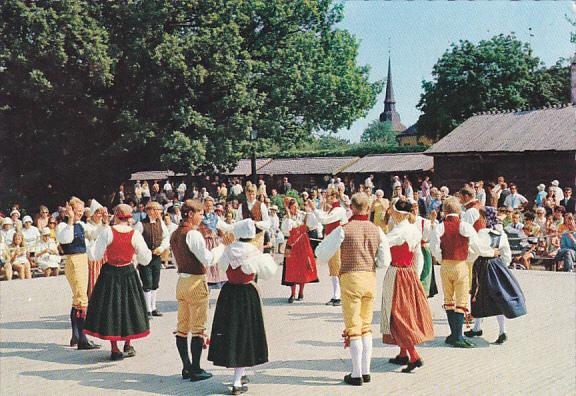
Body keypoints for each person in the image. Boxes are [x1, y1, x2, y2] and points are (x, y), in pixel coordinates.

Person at [316, 193, 390, 386]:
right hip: (370, 278)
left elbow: (322, 253)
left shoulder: (344, 229)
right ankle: (366, 371)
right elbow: (384, 260)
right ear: (368, 208)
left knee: (353, 325)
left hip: (350, 277)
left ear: (353, 208)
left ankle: (356, 373)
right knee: (366, 325)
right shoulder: (377, 230)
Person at [208, 219, 277, 395]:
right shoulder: (254, 251)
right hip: (247, 294)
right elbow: (268, 272)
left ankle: (241, 374)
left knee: (232, 332)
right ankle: (237, 382)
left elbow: (222, 266)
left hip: (229, 292)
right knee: (245, 333)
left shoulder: (228, 249)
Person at [84, 204, 152, 360]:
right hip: (128, 272)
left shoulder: (108, 232)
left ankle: (115, 349)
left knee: (111, 308)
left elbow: (95, 255)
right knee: (130, 307)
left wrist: (89, 244)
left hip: (110, 273)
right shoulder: (135, 234)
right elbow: (146, 259)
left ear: (115, 215)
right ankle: (127, 344)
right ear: (129, 217)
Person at [170, 200, 224, 382]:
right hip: (195, 281)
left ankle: (186, 366)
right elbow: (207, 259)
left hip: (182, 281)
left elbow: (176, 260)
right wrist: (222, 247)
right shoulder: (193, 234)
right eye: (200, 213)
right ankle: (196, 368)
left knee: (182, 327)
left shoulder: (175, 234)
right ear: (191, 214)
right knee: (198, 327)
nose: (202, 217)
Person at [380, 199, 434, 373]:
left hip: (396, 272)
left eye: (393, 211)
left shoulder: (398, 232)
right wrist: (416, 277)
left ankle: (414, 355)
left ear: (398, 213)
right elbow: (418, 255)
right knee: (404, 311)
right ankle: (403, 353)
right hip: (409, 273)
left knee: (397, 313)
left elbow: (383, 245)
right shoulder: (414, 230)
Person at [466, 209, 526, 344]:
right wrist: (502, 265)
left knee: (478, 295)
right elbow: (507, 254)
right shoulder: (501, 233)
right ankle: (501, 330)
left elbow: (477, 249)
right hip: (497, 266)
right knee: (498, 296)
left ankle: (477, 327)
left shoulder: (482, 233)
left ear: (485, 218)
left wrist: (473, 258)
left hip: (482, 265)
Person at [429, 197, 482, 348]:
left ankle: (453, 334)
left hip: (445, 265)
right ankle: (458, 336)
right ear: (459, 210)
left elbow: (434, 247)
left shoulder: (440, 227)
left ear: (444, 211)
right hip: (460, 265)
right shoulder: (464, 226)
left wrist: (441, 259)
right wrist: (468, 256)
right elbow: (476, 246)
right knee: (461, 300)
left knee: (448, 299)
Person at [56, 196, 100, 350]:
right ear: (70, 210)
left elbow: (94, 234)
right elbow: (66, 240)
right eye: (78, 211)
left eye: (82, 211)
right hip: (73, 260)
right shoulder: (62, 226)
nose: (80, 214)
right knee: (82, 298)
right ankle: (83, 339)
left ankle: (76, 335)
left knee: (78, 298)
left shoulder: (81, 224)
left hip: (82, 259)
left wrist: (100, 220)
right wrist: (70, 220)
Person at [312, 191, 349, 306]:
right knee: (333, 269)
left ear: (334, 197)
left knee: (337, 268)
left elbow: (325, 220)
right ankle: (336, 295)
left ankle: (339, 296)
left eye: (328, 196)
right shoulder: (333, 209)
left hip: (337, 241)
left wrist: (314, 209)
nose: (326, 198)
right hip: (332, 241)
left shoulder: (339, 210)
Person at [134, 201, 170, 318]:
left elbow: (166, 237)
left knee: (155, 282)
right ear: (150, 211)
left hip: (156, 256)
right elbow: (135, 239)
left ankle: (153, 307)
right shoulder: (141, 224)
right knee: (147, 283)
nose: (159, 212)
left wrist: (161, 248)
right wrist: (144, 252)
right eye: (157, 210)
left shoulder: (161, 223)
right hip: (145, 257)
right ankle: (147, 309)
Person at [281, 198, 318, 303]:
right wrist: (288, 215)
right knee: (291, 269)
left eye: (297, 206)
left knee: (303, 267)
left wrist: (309, 211)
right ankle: (292, 294)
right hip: (291, 245)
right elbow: (285, 230)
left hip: (303, 244)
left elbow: (313, 225)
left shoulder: (303, 215)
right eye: (293, 207)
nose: (296, 209)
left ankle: (301, 292)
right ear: (289, 208)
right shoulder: (286, 218)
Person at [199, 197, 228, 289]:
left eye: (210, 206)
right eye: (207, 205)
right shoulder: (200, 216)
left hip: (214, 242)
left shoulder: (215, 217)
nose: (209, 207)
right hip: (204, 242)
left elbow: (222, 228)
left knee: (216, 262)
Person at [235, 185, 271, 251]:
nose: (251, 196)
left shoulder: (261, 206)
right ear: (246, 194)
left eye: (253, 194)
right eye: (249, 194)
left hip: (258, 237)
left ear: (256, 194)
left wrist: (256, 223)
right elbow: (237, 223)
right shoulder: (241, 206)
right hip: (244, 238)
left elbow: (267, 223)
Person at [85, 200, 108, 298]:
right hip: (94, 257)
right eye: (97, 213)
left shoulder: (106, 225)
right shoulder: (87, 226)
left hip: (106, 256)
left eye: (101, 213)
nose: (100, 215)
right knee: (94, 282)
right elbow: (93, 235)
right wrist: (103, 225)